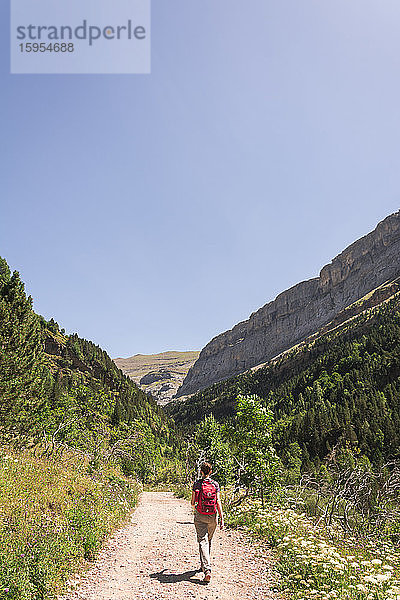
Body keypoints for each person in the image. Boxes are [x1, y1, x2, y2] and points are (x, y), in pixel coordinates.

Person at [191, 461, 224, 584]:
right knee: (207, 540)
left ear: (201, 471)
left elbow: (192, 503)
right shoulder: (215, 484)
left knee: (203, 541)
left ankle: (207, 570)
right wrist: (221, 518)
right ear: (210, 471)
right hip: (213, 516)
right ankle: (204, 565)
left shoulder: (197, 484)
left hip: (200, 516)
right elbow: (218, 502)